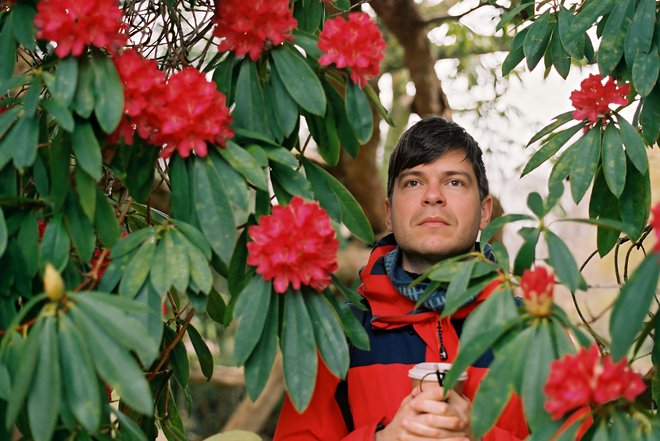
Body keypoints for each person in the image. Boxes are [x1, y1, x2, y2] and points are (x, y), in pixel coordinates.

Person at [274, 116, 528, 440]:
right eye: (413, 182)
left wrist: (480, 435)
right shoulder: (338, 334)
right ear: (390, 212)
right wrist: (383, 438)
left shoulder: (535, 329)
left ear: (484, 212)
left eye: (454, 182)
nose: (433, 196)